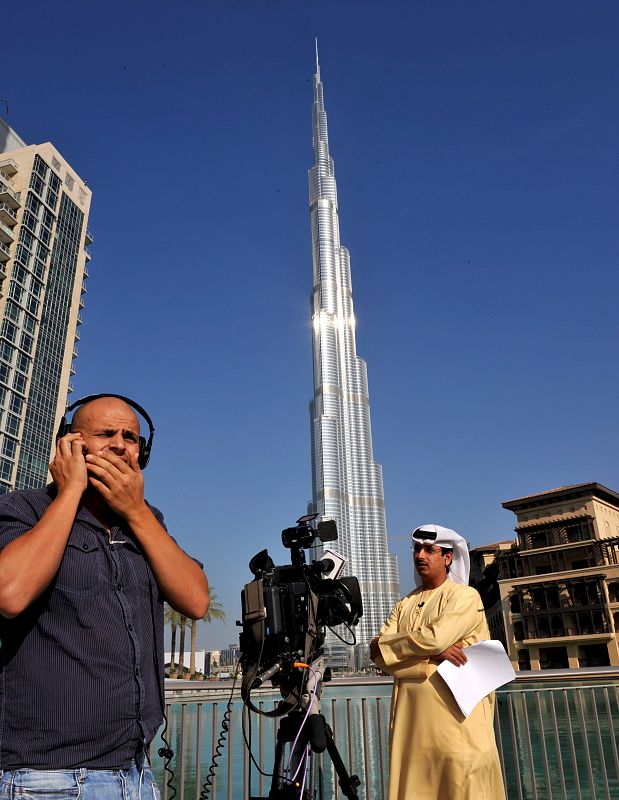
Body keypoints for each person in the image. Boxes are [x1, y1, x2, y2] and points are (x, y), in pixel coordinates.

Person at [0, 395, 210, 799]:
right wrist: (70, 493)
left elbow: (196, 600)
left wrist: (137, 513)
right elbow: (10, 593)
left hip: (135, 773)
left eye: (130, 437)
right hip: (46, 779)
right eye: (105, 434)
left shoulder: (147, 522)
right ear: (70, 444)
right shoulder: (22, 509)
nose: (119, 445)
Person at [370, 523, 506, 800]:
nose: (420, 555)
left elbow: (433, 639)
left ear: (447, 557)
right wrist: (432, 656)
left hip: (458, 726)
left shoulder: (465, 596)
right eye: (417, 549)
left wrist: (406, 651)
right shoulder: (404, 604)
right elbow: (376, 653)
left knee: (463, 787)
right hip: (412, 729)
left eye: (429, 550)